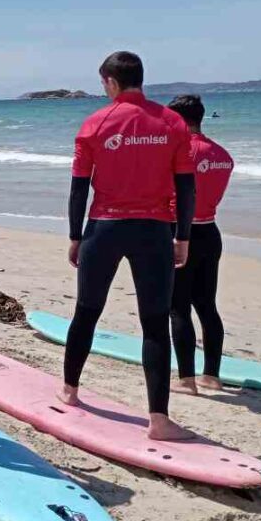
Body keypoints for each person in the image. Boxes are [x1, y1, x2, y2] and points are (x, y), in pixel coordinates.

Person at [63, 51, 196, 440]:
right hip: (154, 230)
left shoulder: (95, 122)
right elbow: (186, 186)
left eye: (103, 83)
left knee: (86, 311)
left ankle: (70, 391)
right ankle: (158, 420)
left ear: (111, 82)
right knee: (155, 324)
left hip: (103, 228)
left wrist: (75, 235)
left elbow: (78, 187)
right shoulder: (172, 123)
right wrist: (183, 235)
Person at [166, 95, 234, 396]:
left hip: (181, 233)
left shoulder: (178, 153)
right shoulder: (223, 155)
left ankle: (185, 380)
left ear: (178, 120)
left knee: (178, 307)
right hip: (210, 232)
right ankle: (212, 376)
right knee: (207, 306)